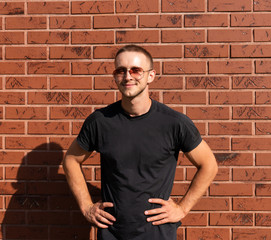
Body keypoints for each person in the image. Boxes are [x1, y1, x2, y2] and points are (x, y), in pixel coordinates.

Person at [63, 45, 218, 240]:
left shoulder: (174, 123)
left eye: (136, 70)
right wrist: (86, 206)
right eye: (121, 71)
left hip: (158, 233)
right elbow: (71, 160)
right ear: (115, 77)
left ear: (150, 76)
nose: (128, 77)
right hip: (112, 233)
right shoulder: (100, 121)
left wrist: (182, 208)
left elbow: (209, 164)